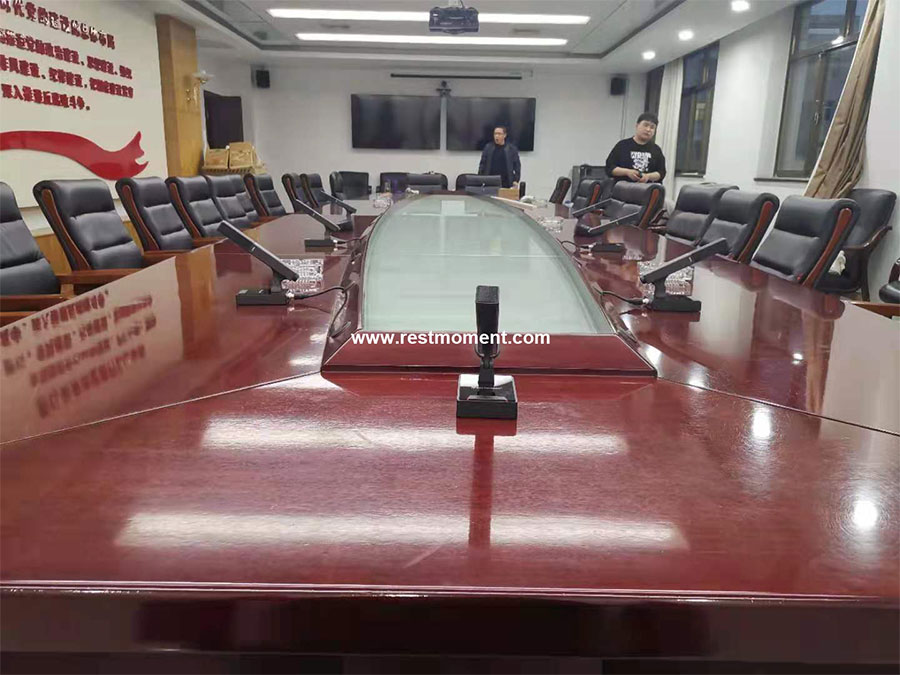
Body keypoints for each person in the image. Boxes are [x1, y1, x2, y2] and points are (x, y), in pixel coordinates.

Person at [605, 112, 666, 184]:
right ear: (637, 125)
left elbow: (661, 172)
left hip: (647, 188)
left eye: (652, 127)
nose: (648, 129)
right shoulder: (622, 145)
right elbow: (610, 168)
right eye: (645, 125)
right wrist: (627, 172)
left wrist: (648, 176)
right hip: (623, 188)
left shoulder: (656, 150)